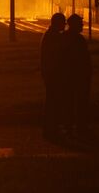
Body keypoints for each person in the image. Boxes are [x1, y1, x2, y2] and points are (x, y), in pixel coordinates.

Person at [63, 14, 93, 139]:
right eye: (80, 23)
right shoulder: (78, 40)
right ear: (74, 25)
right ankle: (80, 127)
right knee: (79, 102)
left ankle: (69, 127)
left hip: (70, 75)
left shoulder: (64, 37)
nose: (83, 25)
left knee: (69, 102)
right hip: (77, 76)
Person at [40, 12, 66, 141]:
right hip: (53, 74)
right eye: (63, 22)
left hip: (51, 74)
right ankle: (51, 129)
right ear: (58, 23)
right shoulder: (53, 37)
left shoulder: (50, 35)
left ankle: (51, 128)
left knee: (53, 101)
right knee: (53, 102)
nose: (65, 25)